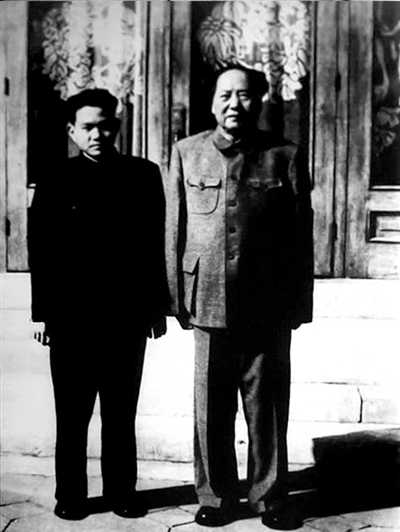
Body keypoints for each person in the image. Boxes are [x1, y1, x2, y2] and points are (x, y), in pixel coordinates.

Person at [164, 66, 313, 530]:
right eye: (225, 94)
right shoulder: (187, 153)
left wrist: (299, 303)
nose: (234, 103)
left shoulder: (284, 155)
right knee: (210, 407)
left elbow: (300, 236)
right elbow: (174, 229)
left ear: (260, 102)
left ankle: (269, 496)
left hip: (268, 302)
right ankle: (216, 496)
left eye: (244, 95)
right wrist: (176, 298)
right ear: (212, 102)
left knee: (267, 405)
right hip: (206, 295)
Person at [28, 88, 169, 521]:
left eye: (105, 126)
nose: (97, 134)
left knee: (120, 412)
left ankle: (121, 491)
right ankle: (71, 494)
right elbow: (41, 248)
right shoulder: (55, 177)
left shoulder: (143, 175)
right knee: (72, 415)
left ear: (118, 127)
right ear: (71, 131)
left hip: (126, 316)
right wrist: (42, 314)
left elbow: (155, 245)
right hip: (71, 318)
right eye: (87, 127)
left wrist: (156, 308)